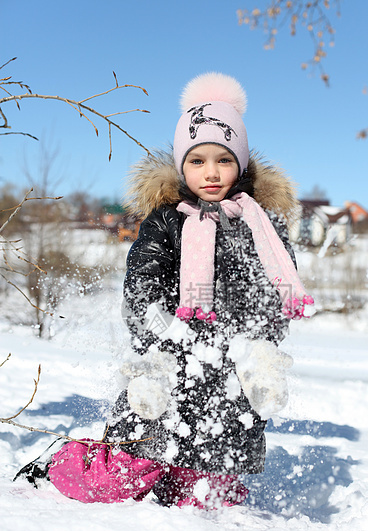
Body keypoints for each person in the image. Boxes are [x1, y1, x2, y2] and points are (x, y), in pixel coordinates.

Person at [47, 73, 314, 508]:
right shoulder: (167, 221)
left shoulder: (263, 225)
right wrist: (159, 333)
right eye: (197, 160)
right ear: (181, 165)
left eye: (224, 160)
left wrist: (257, 347)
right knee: (118, 478)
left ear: (241, 164)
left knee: (208, 501)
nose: (211, 172)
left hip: (230, 380)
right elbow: (143, 282)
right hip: (168, 365)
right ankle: (59, 465)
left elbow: (274, 294)